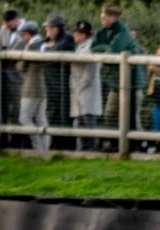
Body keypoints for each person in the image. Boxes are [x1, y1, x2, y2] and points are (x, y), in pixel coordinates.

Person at [92, 5, 136, 131]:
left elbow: (112, 53)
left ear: (112, 18)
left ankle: (133, 142)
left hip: (130, 84)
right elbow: (93, 48)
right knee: (113, 116)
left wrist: (104, 49)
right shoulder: (103, 32)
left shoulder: (123, 33)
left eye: (104, 17)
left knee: (128, 119)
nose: (101, 19)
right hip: (115, 82)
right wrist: (106, 48)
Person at [41, 14, 74, 148]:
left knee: (62, 116)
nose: (46, 31)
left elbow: (55, 52)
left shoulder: (67, 38)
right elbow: (38, 47)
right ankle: (55, 144)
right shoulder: (49, 40)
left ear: (56, 28)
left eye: (48, 28)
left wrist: (47, 48)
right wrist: (46, 47)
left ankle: (65, 146)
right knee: (52, 115)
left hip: (62, 87)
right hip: (51, 85)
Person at [70, 20, 102, 150]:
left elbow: (89, 74)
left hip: (87, 93)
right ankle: (82, 152)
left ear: (84, 35)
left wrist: (78, 89)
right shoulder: (79, 47)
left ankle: (92, 152)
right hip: (79, 92)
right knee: (80, 125)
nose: (75, 35)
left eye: (77, 33)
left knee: (88, 126)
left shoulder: (90, 47)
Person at [17, 20, 49, 150]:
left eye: (24, 34)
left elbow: (21, 66)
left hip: (31, 88)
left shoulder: (32, 45)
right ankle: (45, 148)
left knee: (24, 118)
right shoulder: (43, 43)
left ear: (28, 34)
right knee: (41, 119)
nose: (23, 37)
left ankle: (38, 148)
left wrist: (19, 60)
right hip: (42, 87)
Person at [0, 9, 27, 144]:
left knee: (18, 111)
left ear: (16, 20)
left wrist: (6, 53)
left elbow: (19, 50)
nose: (7, 26)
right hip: (4, 78)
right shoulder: (3, 29)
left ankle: (18, 141)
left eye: (9, 23)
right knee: (3, 110)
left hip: (19, 79)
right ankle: (3, 139)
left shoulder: (26, 30)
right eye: (5, 24)